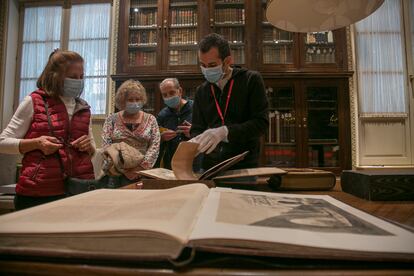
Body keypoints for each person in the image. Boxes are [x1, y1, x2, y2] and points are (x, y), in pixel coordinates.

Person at [0, 50, 96, 210]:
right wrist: (37, 143)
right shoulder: (33, 101)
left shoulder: (84, 107)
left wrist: (89, 147)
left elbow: (92, 150)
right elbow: (2, 142)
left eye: (81, 77)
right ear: (55, 76)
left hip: (77, 190)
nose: (78, 81)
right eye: (73, 77)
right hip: (38, 192)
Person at [190, 33, 269, 170]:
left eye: (212, 65)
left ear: (228, 61)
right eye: (203, 65)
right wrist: (197, 140)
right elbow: (197, 128)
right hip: (210, 166)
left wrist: (225, 132)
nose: (207, 70)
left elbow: (261, 123)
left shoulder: (251, 80)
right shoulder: (201, 91)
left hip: (243, 164)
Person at [102, 79, 160, 183]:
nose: (135, 103)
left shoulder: (151, 119)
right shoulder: (111, 119)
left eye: (138, 99)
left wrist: (140, 168)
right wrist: (123, 169)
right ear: (122, 100)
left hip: (142, 174)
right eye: (130, 99)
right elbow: (106, 145)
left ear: (142, 100)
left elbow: (155, 145)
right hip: (116, 173)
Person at [156, 78, 194, 170]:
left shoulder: (196, 108)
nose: (168, 97)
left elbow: (210, 132)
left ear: (180, 91)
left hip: (194, 162)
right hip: (170, 165)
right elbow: (154, 140)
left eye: (172, 93)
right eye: (164, 95)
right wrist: (161, 138)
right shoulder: (162, 115)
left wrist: (194, 132)